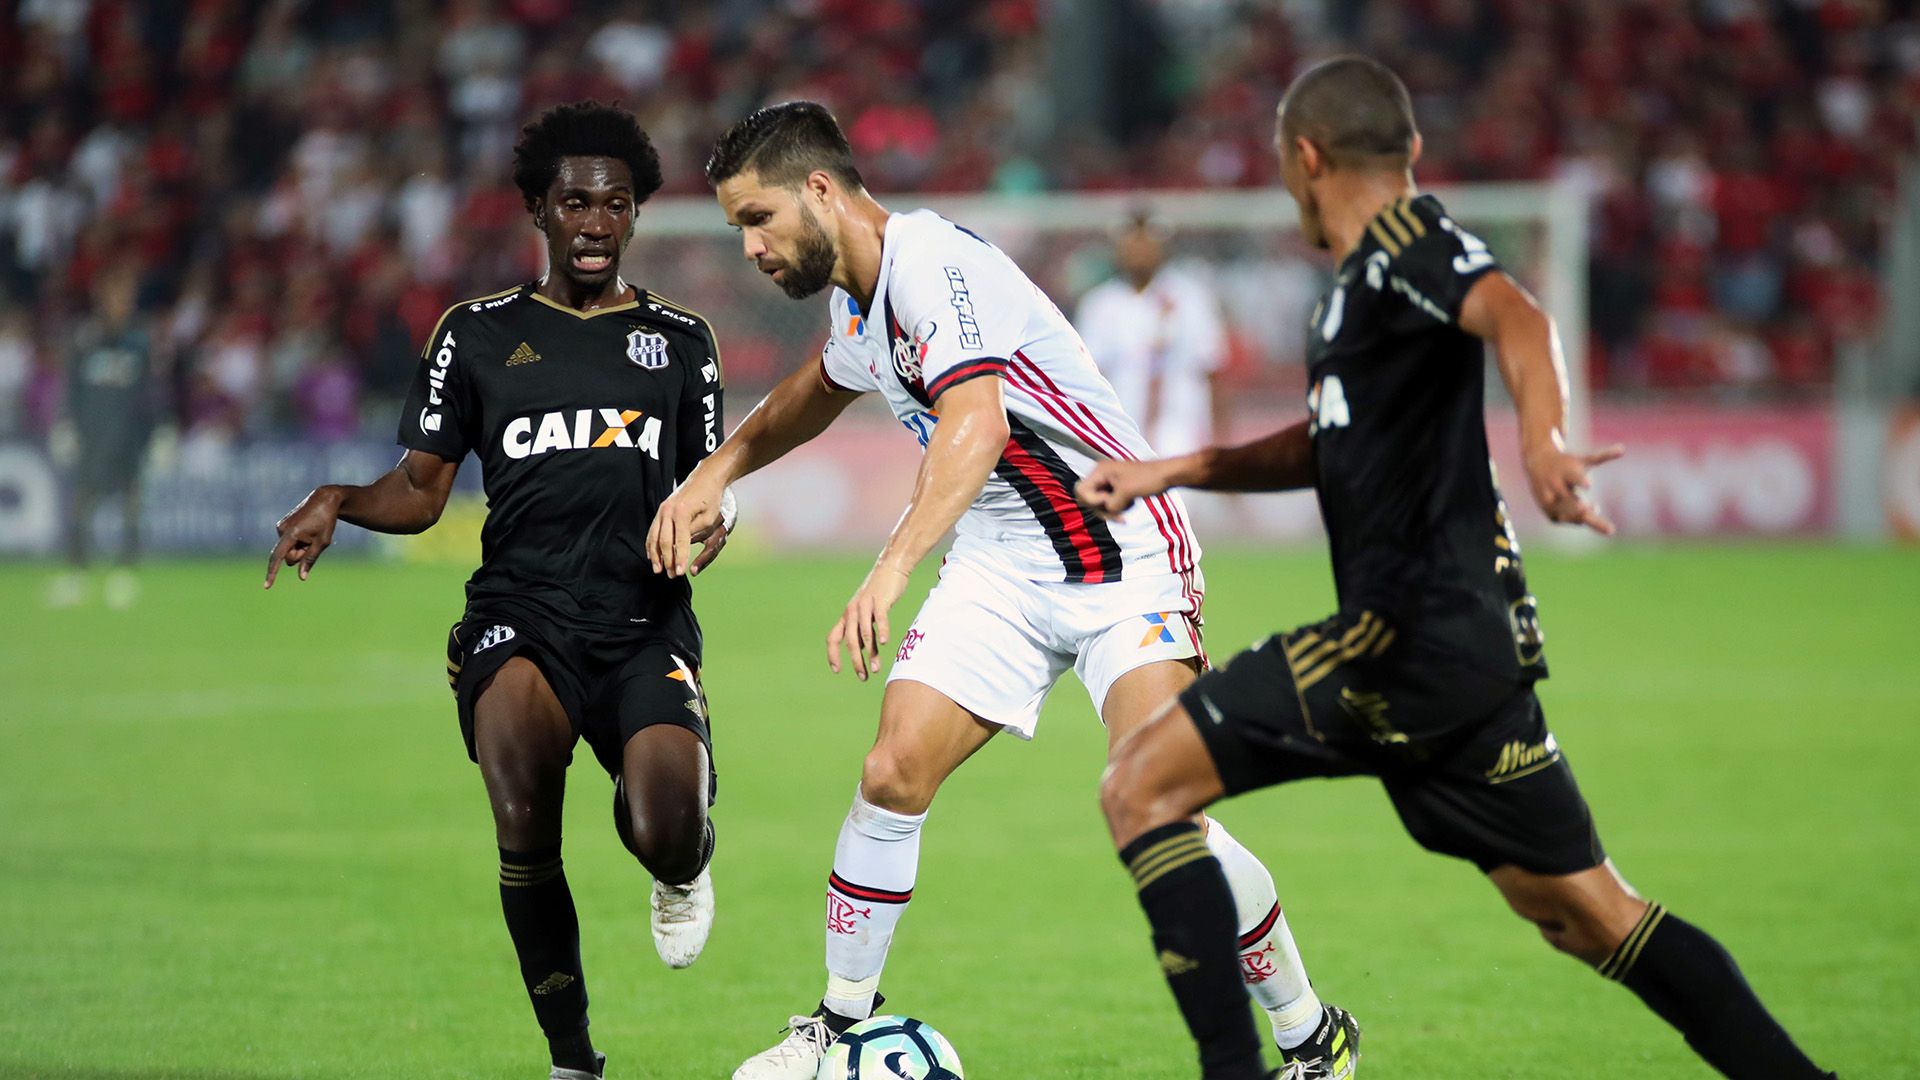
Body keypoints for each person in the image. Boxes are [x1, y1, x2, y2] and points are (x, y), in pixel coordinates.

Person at [1081, 57, 1837, 1080]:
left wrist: (1543, 441)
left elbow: (1519, 315)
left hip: (1400, 640)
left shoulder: (1402, 243)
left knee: (1139, 787)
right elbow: (1324, 445)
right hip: (1471, 657)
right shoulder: (1356, 292)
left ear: (1305, 158)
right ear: (1413, 147)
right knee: (1587, 916)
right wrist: (1177, 467)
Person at [651, 101, 1358, 1080]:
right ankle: (839, 1028)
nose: (750, 248)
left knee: (1160, 801)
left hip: (1118, 554)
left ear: (819, 190)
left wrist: (891, 567)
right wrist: (714, 473)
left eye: (756, 218)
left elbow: (975, 425)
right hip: (999, 563)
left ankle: (1310, 1034)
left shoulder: (934, 266)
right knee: (893, 771)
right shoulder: (859, 300)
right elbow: (814, 390)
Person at [265, 102, 731, 1080]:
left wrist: (706, 525)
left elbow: (704, 494)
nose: (597, 222)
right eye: (575, 203)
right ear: (540, 212)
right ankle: (573, 1061)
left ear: (637, 213)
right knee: (523, 815)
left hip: (644, 620)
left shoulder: (683, 341)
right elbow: (423, 492)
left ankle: (684, 863)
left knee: (660, 828)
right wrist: (340, 500)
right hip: (519, 613)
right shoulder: (476, 336)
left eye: (615, 204)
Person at [1075, 209, 1229, 457]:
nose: (1139, 250)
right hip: (1121, 434)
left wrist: (1222, 446)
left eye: (1147, 241)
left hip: (1182, 434)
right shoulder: (1100, 304)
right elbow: (1087, 379)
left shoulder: (1191, 298)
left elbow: (1213, 370)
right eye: (1131, 242)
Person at [50, 263, 157, 610]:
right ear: (102, 298)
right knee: (83, 501)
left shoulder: (139, 343)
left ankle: (124, 574)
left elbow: (152, 392)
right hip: (93, 434)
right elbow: (73, 388)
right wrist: (65, 424)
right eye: (115, 295)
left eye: (126, 296)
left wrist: (161, 429)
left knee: (131, 502)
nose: (120, 302)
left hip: (129, 435)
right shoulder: (86, 340)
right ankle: (76, 573)